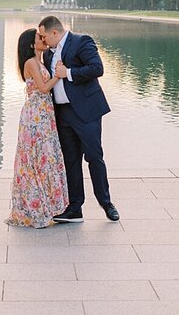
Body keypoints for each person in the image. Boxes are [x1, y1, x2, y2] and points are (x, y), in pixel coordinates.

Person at [37, 15, 119, 222]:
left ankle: (106, 203)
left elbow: (97, 68)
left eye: (44, 36)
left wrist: (68, 72)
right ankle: (75, 207)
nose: (43, 40)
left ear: (54, 32)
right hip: (62, 114)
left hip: (86, 111)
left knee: (94, 156)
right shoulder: (47, 54)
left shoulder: (81, 41)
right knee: (70, 161)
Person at [6, 27, 69, 228]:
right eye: (39, 37)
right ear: (32, 44)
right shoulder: (31, 63)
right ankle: (34, 209)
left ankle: (45, 205)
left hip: (43, 114)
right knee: (35, 158)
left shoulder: (40, 61)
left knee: (44, 157)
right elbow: (43, 88)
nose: (43, 39)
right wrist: (59, 74)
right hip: (35, 115)